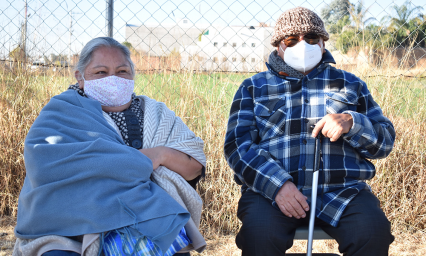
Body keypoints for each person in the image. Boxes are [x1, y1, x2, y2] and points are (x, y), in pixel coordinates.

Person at [224, 7, 395, 256]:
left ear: (323, 43)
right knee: (259, 236)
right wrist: (278, 185)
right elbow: (237, 147)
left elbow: (385, 142)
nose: (303, 45)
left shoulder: (350, 84)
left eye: (312, 38)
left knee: (372, 232)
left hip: (342, 192)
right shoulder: (253, 87)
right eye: (292, 39)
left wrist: (352, 122)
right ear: (279, 46)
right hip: (271, 193)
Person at [13, 37, 207, 256]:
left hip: (146, 218)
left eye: (122, 71)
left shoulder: (157, 114)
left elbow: (194, 168)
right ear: (81, 77)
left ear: (133, 74)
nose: (113, 79)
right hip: (73, 225)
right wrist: (138, 163)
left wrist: (160, 154)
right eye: (101, 72)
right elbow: (45, 162)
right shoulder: (61, 113)